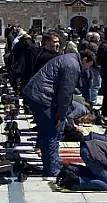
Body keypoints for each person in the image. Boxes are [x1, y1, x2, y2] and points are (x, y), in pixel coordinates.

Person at [23, 50, 97, 178]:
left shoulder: (69, 59)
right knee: (53, 132)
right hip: (41, 97)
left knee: (47, 131)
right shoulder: (72, 66)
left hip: (37, 94)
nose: (87, 68)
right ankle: (52, 169)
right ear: (84, 60)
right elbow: (65, 93)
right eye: (88, 65)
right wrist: (61, 117)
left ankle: (50, 164)